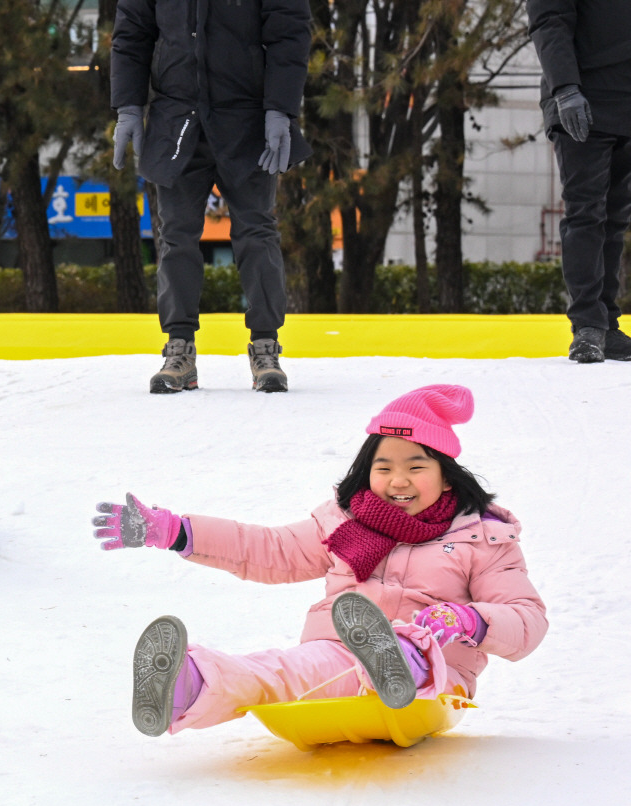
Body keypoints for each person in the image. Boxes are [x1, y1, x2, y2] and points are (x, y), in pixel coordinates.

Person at [91, 384, 547, 737]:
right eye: (384, 467)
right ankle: (185, 684)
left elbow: (526, 620)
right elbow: (269, 550)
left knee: (413, 648)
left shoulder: (483, 536)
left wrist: (468, 619)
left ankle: (401, 661)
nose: (398, 480)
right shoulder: (346, 522)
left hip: (438, 674)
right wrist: (176, 531)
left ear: (446, 477)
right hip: (337, 652)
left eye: (416, 466)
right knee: (281, 670)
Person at [111, 0, 312, 393]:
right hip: (176, 118)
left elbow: (289, 32)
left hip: (247, 119)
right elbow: (132, 33)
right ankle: (179, 349)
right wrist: (128, 108)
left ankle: (265, 347)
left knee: (257, 230)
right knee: (176, 235)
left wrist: (280, 110)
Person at [527, 0, 631, 362]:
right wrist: (565, 88)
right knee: (586, 213)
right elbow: (548, 21)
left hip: (625, 101)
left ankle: (607, 323)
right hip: (581, 98)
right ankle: (587, 325)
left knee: (616, 218)